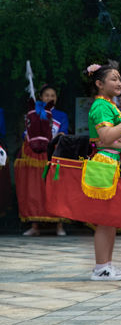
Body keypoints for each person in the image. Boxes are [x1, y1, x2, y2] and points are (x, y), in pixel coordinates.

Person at [85, 63, 121, 280]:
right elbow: (107, 137)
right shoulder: (101, 106)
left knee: (110, 219)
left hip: (112, 162)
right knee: (105, 218)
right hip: (104, 163)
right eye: (114, 79)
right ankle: (101, 268)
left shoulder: (110, 105)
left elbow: (117, 139)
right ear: (99, 84)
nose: (119, 83)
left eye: (120, 79)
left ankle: (106, 265)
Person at [17, 85, 70, 237]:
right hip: (36, 156)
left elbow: (63, 132)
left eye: (53, 95)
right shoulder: (33, 113)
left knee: (56, 190)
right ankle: (35, 226)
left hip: (54, 154)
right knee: (34, 190)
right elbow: (25, 134)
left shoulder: (61, 115)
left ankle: (59, 225)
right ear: (41, 97)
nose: (50, 98)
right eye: (47, 95)